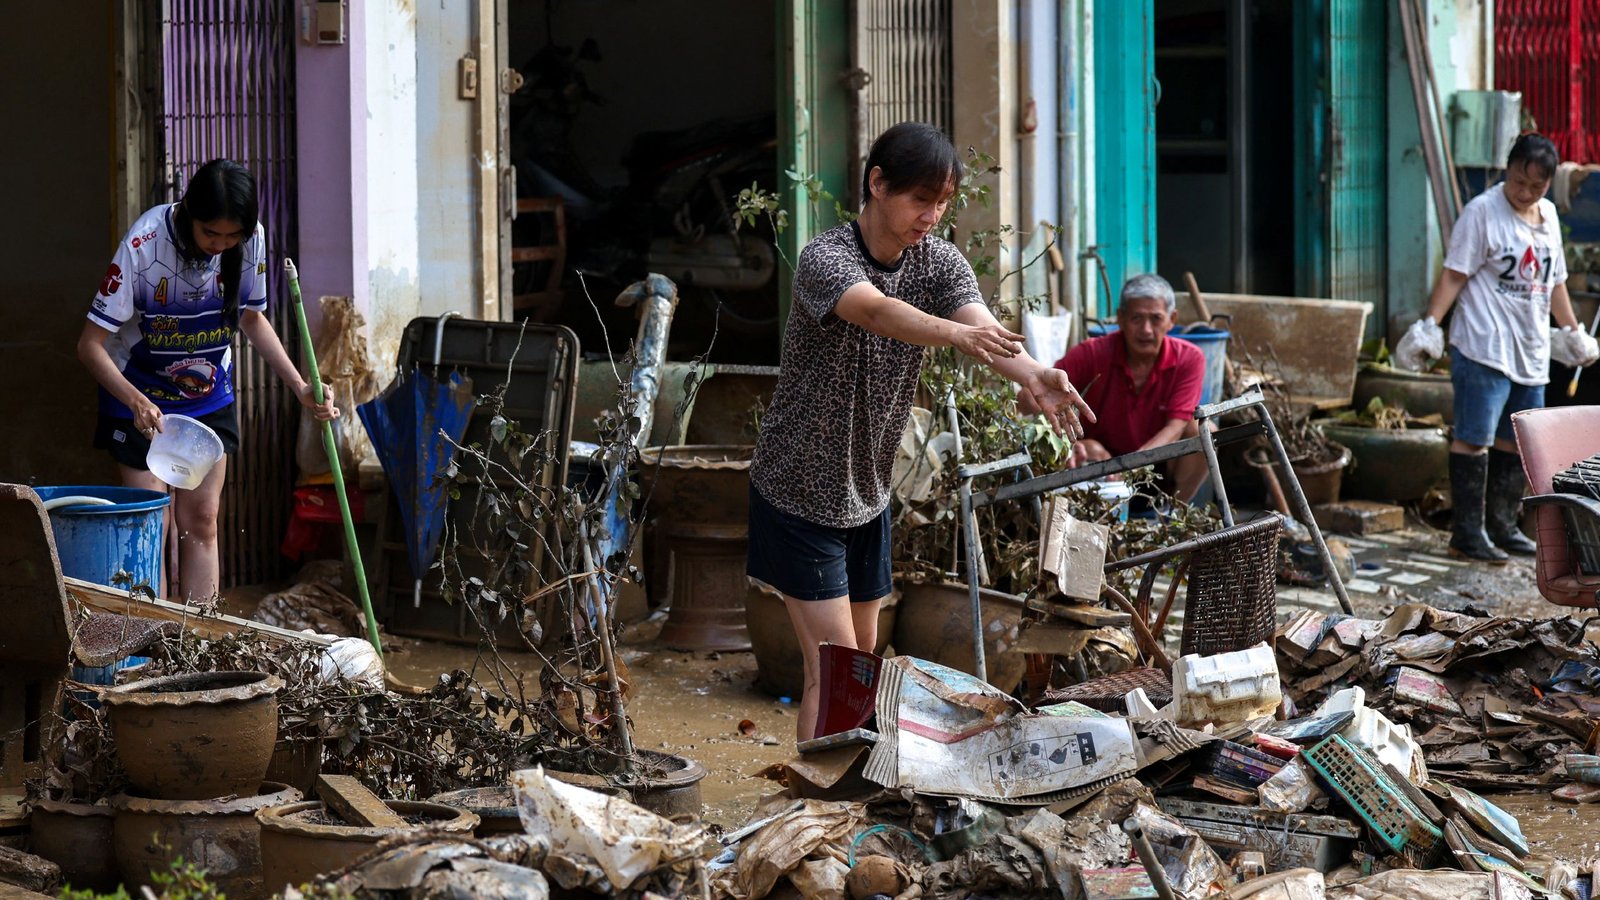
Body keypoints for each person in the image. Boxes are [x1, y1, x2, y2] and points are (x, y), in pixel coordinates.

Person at [747, 122, 1095, 743]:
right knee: (833, 673)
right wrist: (954, 334)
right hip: (799, 491)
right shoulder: (825, 258)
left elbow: (980, 325)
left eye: (942, 203)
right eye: (920, 200)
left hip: (867, 493)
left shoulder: (937, 260)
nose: (932, 215)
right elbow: (879, 311)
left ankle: (844, 797)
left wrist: (1037, 373)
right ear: (877, 185)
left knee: (864, 668)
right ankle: (814, 809)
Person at [78, 159, 338, 601]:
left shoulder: (251, 239)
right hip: (138, 397)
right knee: (151, 525)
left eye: (230, 236)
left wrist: (300, 387)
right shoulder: (143, 245)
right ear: (188, 215)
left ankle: (200, 644)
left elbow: (253, 320)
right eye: (210, 233)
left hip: (205, 396)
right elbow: (89, 345)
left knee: (201, 520)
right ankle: (149, 646)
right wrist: (136, 401)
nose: (220, 245)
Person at [1395, 133, 1598, 563]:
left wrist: (1573, 331)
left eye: (1536, 187)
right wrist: (1430, 325)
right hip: (1483, 345)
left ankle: (1503, 527)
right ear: (1507, 170)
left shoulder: (1546, 217)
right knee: (1474, 438)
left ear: (1548, 185)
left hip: (1530, 349)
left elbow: (1555, 282)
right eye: (1518, 182)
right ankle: (1467, 533)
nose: (1525, 193)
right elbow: (1454, 275)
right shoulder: (1482, 212)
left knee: (1515, 441)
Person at [1054, 273, 1210, 502]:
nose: (1146, 329)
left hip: (1159, 464)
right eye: (1137, 318)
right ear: (1121, 318)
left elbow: (1176, 427)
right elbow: (1041, 394)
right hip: (1100, 465)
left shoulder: (1189, 358)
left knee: (1203, 431)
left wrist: (1129, 468)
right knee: (1090, 449)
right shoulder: (1091, 352)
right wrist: (1068, 445)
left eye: (1156, 319)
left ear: (1171, 319)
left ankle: (1170, 515)